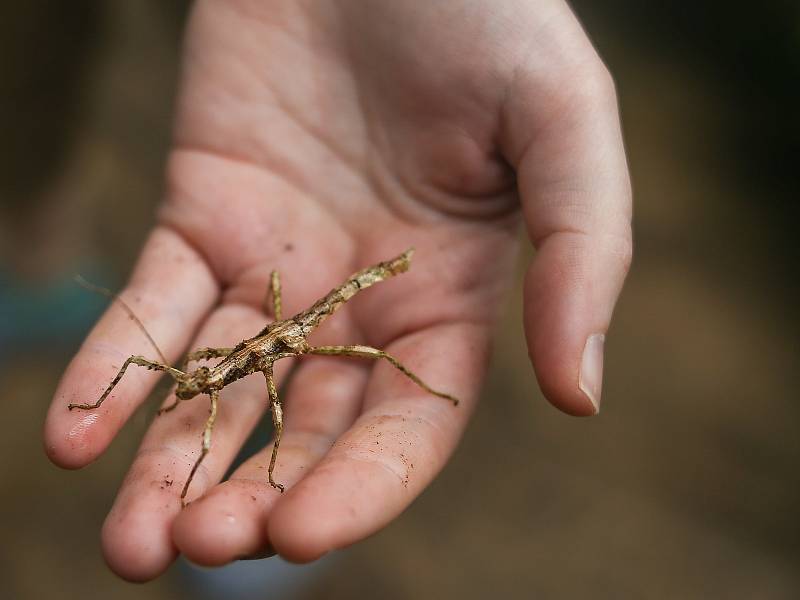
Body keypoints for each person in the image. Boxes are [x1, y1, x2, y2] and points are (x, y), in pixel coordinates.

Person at [44, 0, 631, 582]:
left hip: (291, 332)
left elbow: (259, 416)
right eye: (198, 387)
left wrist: (232, 445)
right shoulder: (214, 368)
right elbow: (193, 366)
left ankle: (278, 485)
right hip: (269, 339)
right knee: (162, 359)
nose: (200, 385)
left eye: (198, 387)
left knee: (362, 360)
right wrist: (176, 394)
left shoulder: (252, 371)